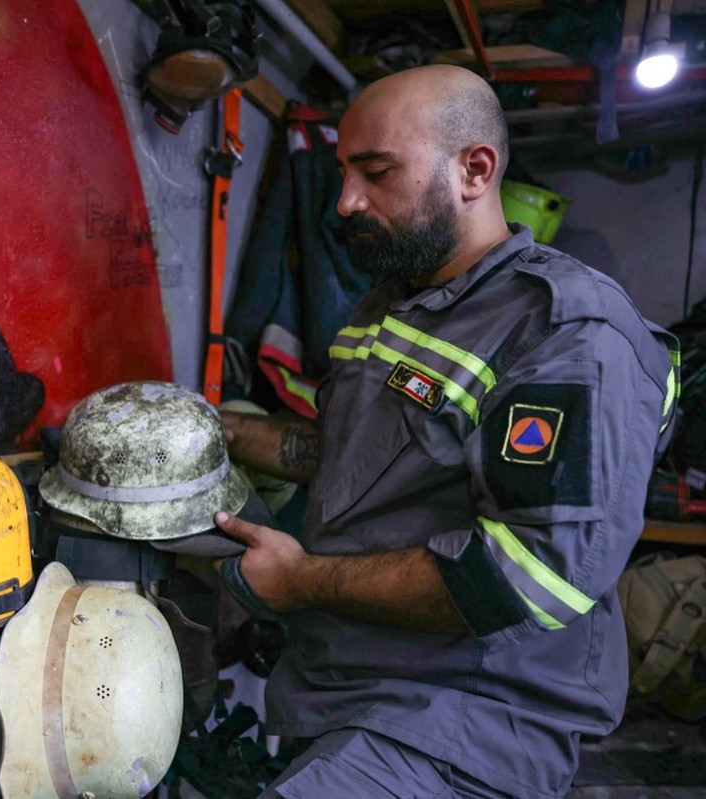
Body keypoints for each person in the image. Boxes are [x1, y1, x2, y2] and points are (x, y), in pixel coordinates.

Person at [213, 64, 680, 799]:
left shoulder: (568, 332)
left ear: (475, 169)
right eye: (341, 171)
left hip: (461, 721)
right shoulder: (395, 300)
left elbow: (526, 577)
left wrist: (301, 579)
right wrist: (220, 433)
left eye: (374, 172)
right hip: (348, 684)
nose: (345, 202)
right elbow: (355, 457)